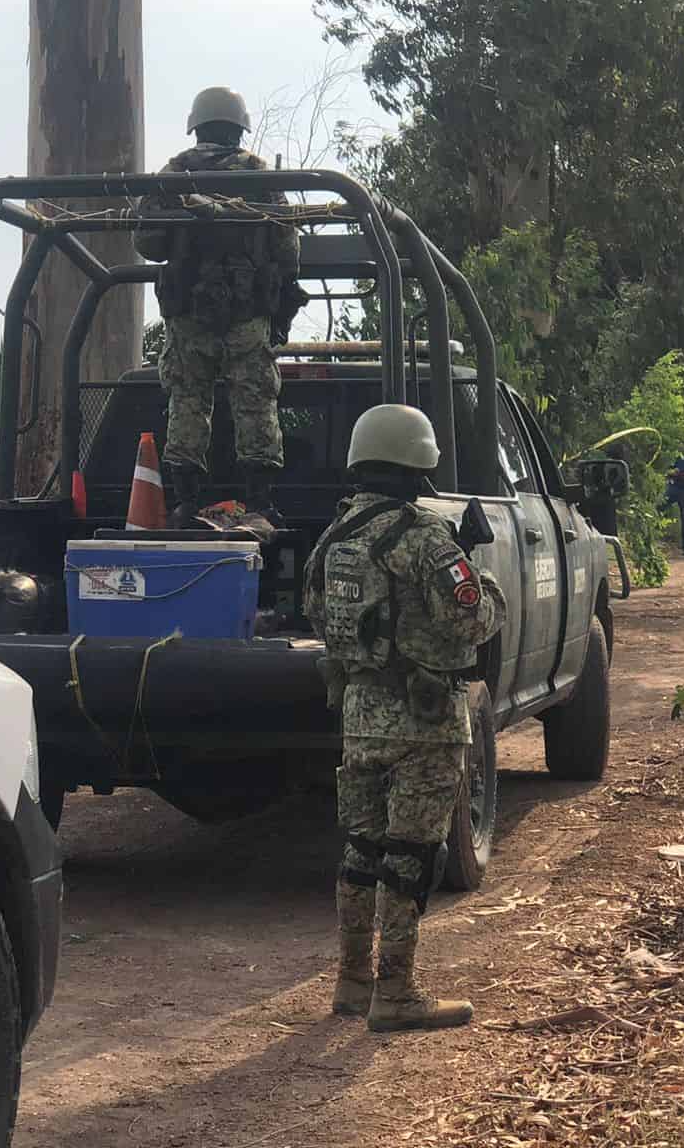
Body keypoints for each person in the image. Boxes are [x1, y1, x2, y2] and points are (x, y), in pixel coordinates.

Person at [302, 405, 505, 1033]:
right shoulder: (423, 537)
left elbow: (316, 613)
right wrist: (485, 581)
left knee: (361, 848)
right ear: (420, 463)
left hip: (360, 712)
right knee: (413, 854)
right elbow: (474, 619)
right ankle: (396, 990)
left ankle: (352, 979)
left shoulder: (336, 536)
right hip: (426, 718)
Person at [135, 86, 302, 527]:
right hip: (246, 315)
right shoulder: (258, 175)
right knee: (256, 402)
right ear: (238, 129)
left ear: (197, 128)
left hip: (189, 315)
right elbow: (287, 248)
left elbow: (147, 243)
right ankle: (261, 502)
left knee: (188, 403)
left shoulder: (173, 175)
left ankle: (187, 500)